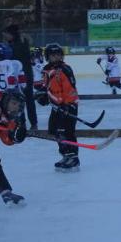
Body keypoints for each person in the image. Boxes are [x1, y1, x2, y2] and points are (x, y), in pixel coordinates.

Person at [43, 44, 80, 172]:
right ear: (48, 56)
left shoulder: (64, 69)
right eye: (53, 55)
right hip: (56, 107)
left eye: (58, 54)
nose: (56, 57)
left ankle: (73, 157)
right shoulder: (47, 70)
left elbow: (70, 89)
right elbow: (48, 87)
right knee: (55, 131)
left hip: (68, 106)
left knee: (67, 132)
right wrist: (43, 95)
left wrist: (68, 105)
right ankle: (65, 154)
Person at [3, 24, 37, 130]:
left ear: (12, 34)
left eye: (7, 34)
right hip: (18, 76)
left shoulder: (20, 43)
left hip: (25, 75)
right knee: (17, 100)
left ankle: (32, 123)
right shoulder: (13, 43)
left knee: (28, 99)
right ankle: (22, 123)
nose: (5, 36)